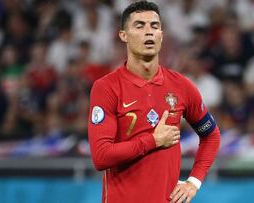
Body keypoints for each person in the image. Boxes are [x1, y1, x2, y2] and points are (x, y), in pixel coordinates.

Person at [88, 1, 220, 203]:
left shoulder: (181, 86)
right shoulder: (107, 87)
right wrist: (154, 141)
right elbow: (101, 156)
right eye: (139, 26)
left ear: (161, 35)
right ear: (123, 35)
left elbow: (211, 135)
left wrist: (194, 181)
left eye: (154, 26)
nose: (148, 32)